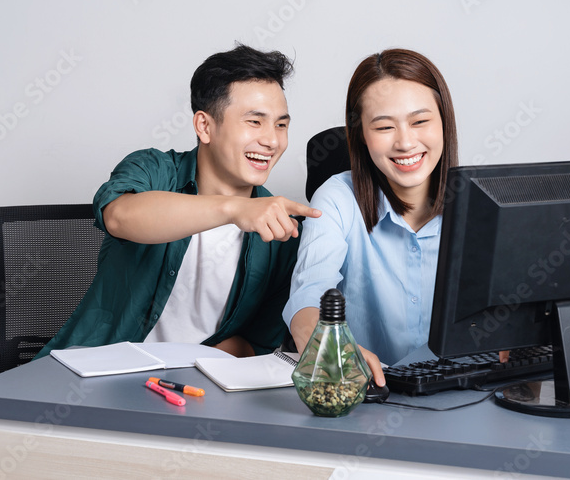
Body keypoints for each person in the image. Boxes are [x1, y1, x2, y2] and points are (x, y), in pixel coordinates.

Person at [36, 44, 320, 360]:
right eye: (255, 122)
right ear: (205, 126)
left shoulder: (279, 229)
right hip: (88, 373)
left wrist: (179, 369)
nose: (272, 140)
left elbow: (257, 342)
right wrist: (232, 209)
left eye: (281, 124)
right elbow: (119, 216)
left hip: (190, 388)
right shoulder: (153, 170)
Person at [283, 49, 459, 385]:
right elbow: (309, 290)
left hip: (467, 400)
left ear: (443, 123)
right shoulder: (337, 199)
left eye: (420, 121)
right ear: (361, 136)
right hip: (368, 398)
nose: (406, 142)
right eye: (383, 127)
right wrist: (326, 344)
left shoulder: (480, 204)